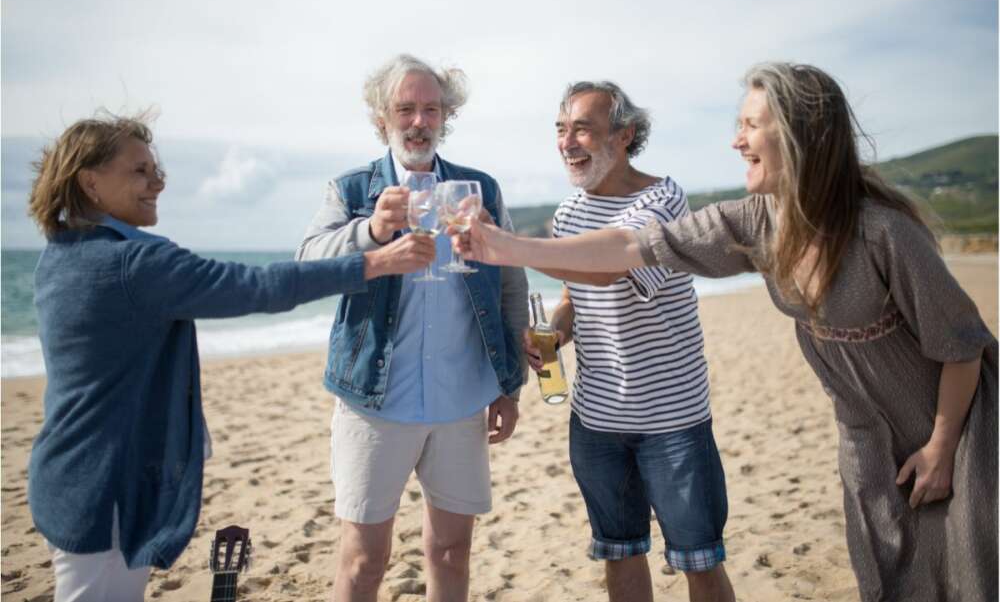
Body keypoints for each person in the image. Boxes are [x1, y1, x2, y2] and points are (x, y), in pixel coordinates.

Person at [453, 63, 998, 602]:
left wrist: (942, 444)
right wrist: (540, 302)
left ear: (801, 135)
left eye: (749, 125)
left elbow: (962, 343)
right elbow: (604, 267)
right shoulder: (757, 219)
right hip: (855, 430)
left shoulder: (882, 231)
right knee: (886, 570)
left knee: (967, 565)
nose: (735, 141)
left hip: (942, 425)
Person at [25, 113, 434, 602]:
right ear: (90, 182)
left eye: (157, 170)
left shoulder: (61, 254)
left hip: (64, 472)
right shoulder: (133, 265)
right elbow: (257, 286)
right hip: (107, 486)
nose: (157, 182)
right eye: (139, 171)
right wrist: (377, 262)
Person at [295, 54, 528, 602]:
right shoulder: (352, 189)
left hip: (460, 401)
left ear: (446, 116)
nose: (419, 122)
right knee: (363, 560)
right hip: (373, 402)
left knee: (450, 552)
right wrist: (371, 230)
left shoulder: (480, 190)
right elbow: (305, 263)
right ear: (383, 118)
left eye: (431, 109)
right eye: (406, 109)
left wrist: (509, 385)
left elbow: (510, 285)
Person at [522, 81, 734, 602]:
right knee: (619, 554)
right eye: (561, 129)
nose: (568, 142)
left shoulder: (664, 199)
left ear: (624, 135)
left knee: (699, 562)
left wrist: (503, 245)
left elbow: (616, 261)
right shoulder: (569, 215)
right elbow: (577, 293)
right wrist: (557, 330)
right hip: (596, 423)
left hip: (673, 424)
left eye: (583, 129)